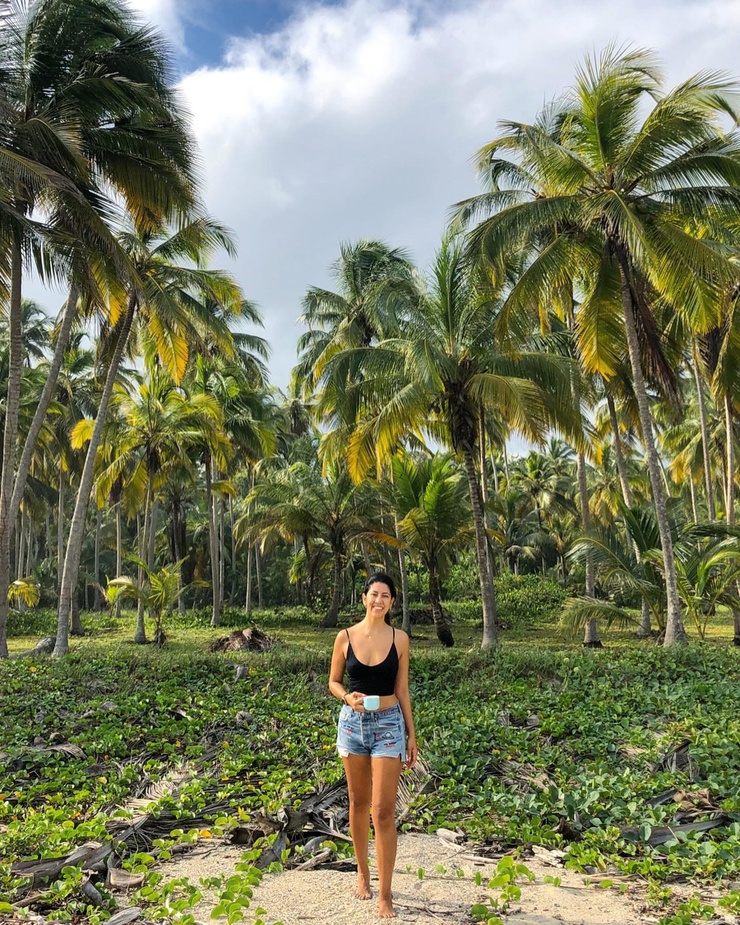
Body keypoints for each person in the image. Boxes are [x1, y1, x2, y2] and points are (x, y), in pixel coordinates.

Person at [328, 572, 417, 919]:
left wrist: (412, 734)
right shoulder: (345, 637)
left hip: (389, 725)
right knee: (357, 801)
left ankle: (385, 894)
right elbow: (334, 682)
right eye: (373, 594)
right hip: (352, 725)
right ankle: (362, 873)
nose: (378, 600)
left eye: (385, 596)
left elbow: (403, 689)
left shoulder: (400, 639)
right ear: (363, 598)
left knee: (382, 811)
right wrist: (346, 697)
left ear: (392, 602)